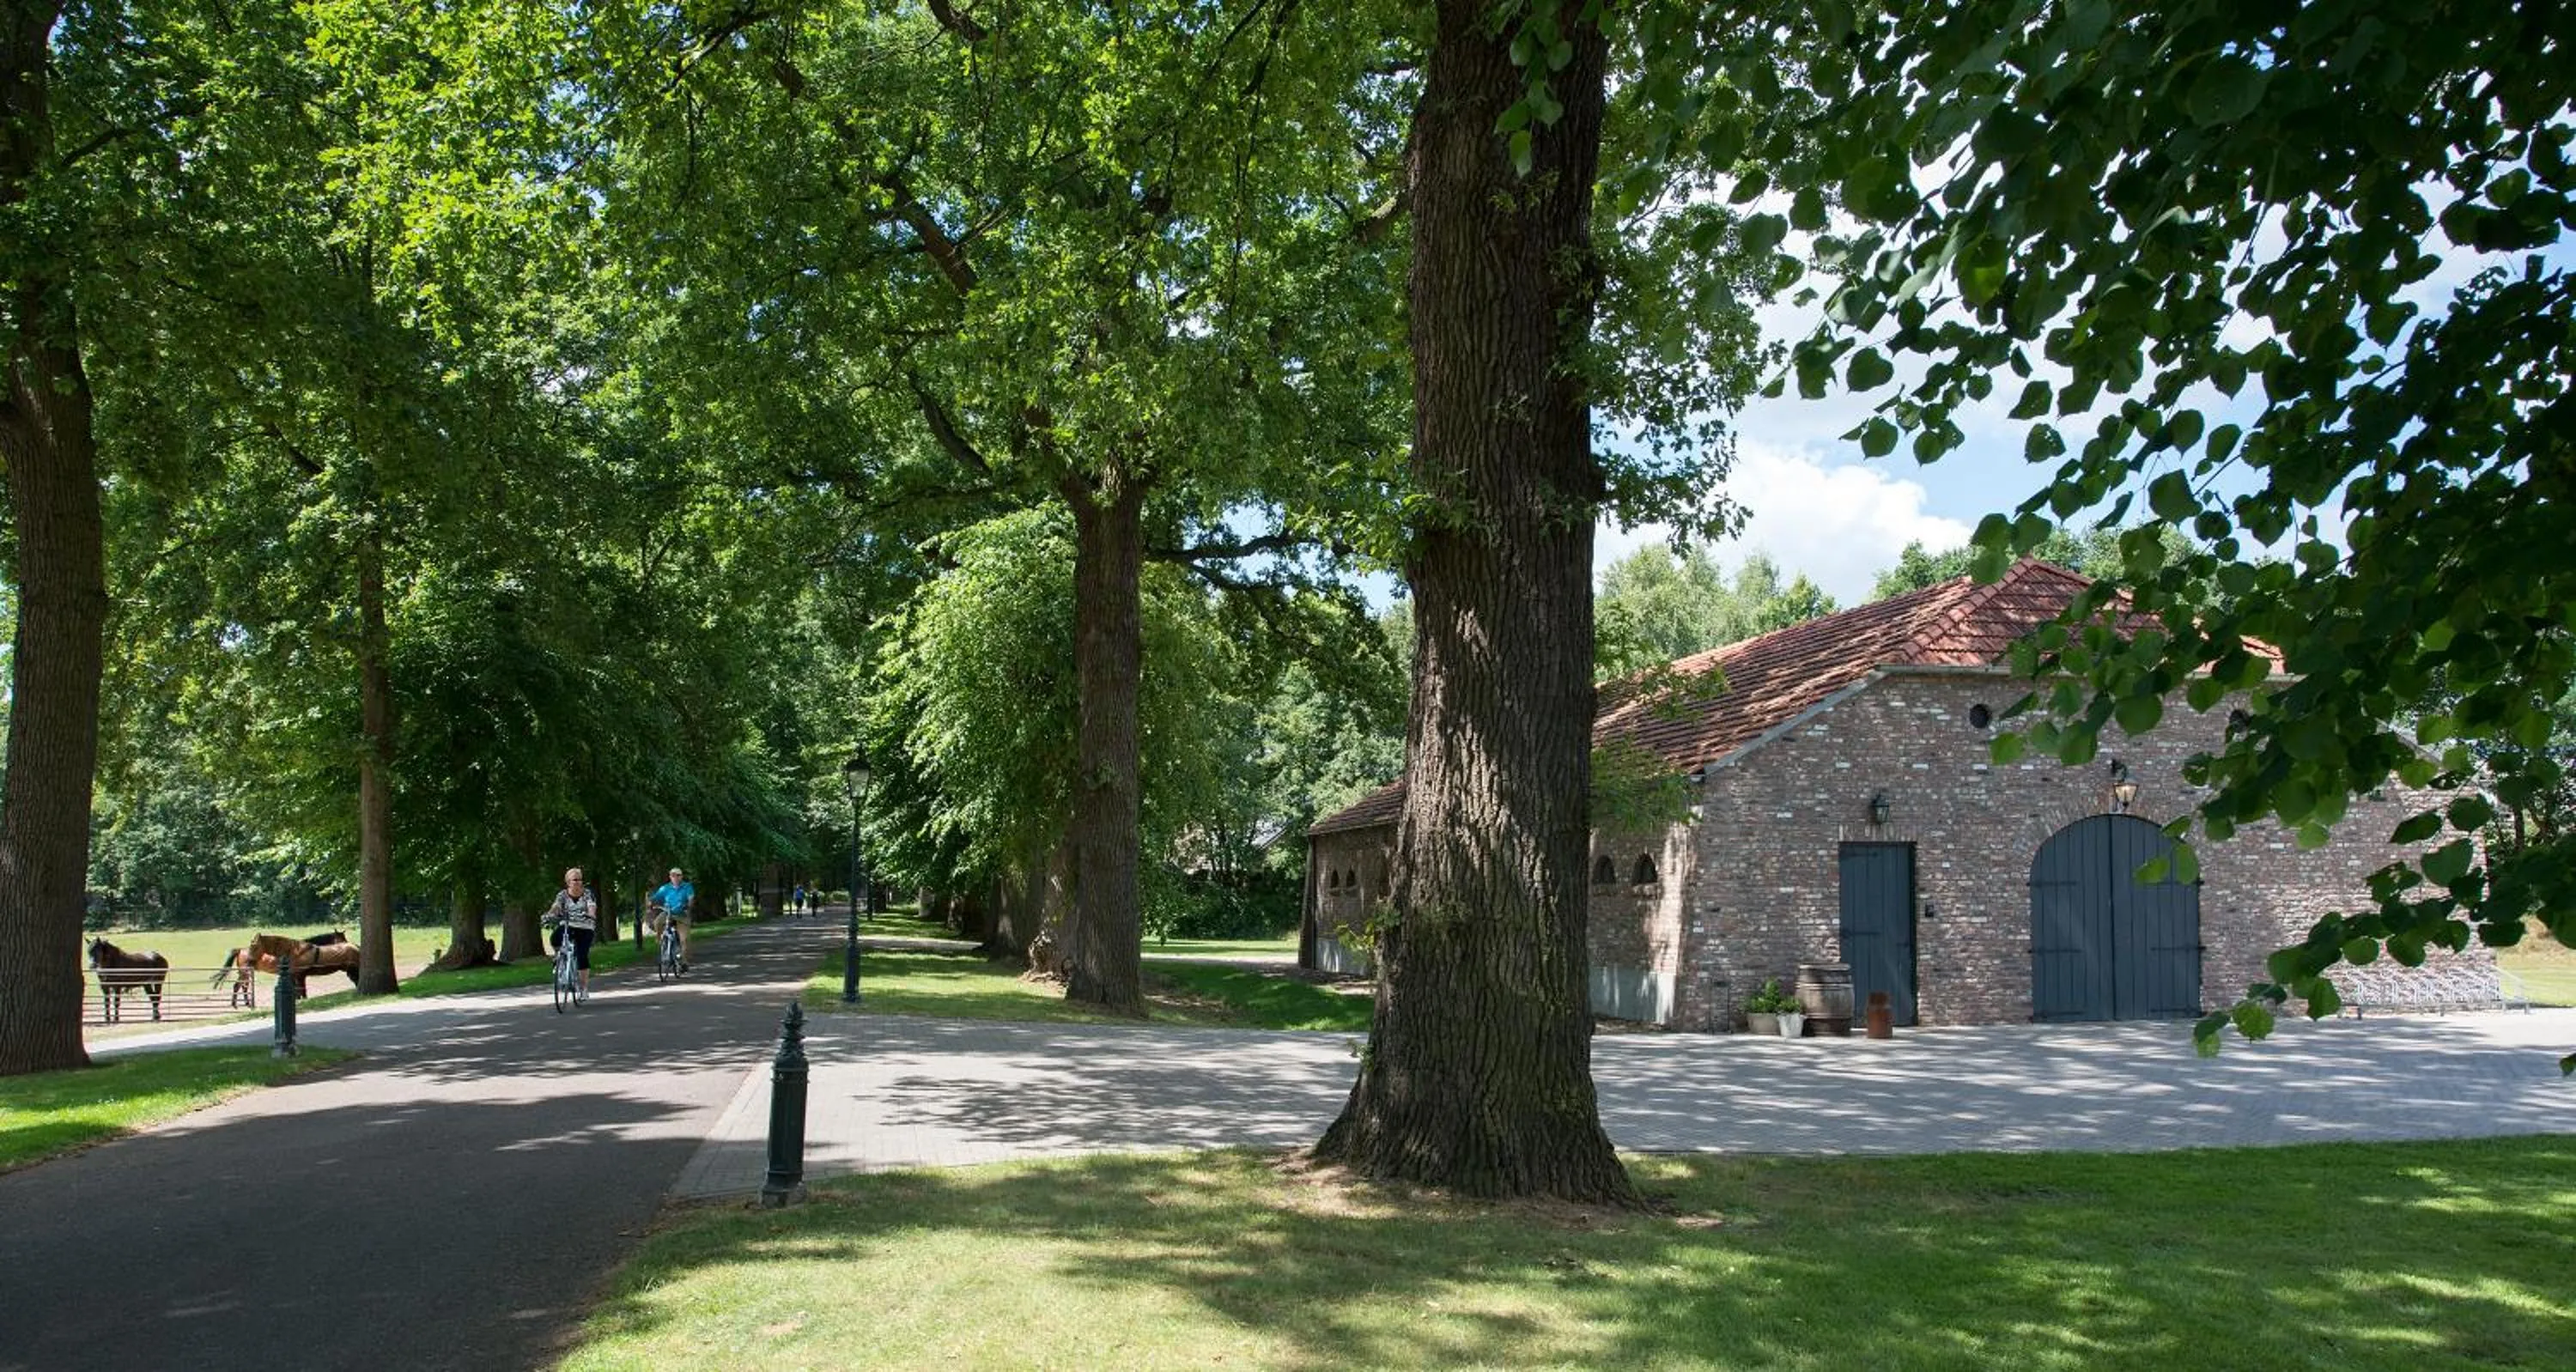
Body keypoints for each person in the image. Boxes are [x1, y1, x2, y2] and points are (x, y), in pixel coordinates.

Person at [543, 866, 600, 1001]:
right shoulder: (562, 895)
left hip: (585, 926)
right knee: (555, 938)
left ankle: (584, 989)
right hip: (568, 924)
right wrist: (551, 914)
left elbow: (592, 906)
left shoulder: (587, 893)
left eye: (580, 880)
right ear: (568, 882)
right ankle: (559, 959)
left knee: (582, 956)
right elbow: (556, 906)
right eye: (575, 880)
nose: (578, 882)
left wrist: (591, 914)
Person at [651, 866, 696, 969]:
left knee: (684, 940)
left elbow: (691, 898)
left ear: (681, 877)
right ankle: (660, 938)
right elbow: (655, 897)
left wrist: (688, 906)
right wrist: (650, 903)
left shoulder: (687, 886)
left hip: (681, 915)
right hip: (668, 913)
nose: (675, 877)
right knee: (657, 922)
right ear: (670, 877)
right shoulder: (665, 888)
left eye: (678, 875)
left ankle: (684, 962)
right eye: (673, 875)